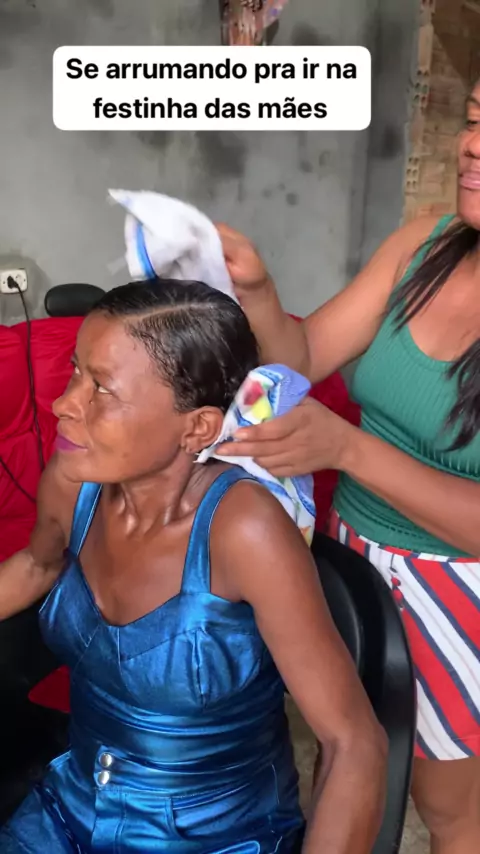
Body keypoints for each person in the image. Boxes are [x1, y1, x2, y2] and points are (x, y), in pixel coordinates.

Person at [0, 278, 385, 853]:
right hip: (69, 812)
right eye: (77, 372)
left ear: (197, 427)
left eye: (101, 387)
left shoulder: (244, 532)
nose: (64, 403)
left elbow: (354, 743)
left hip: (216, 838)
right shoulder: (74, 482)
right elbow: (37, 565)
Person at [215, 81, 480, 854]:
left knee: (449, 807)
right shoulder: (424, 245)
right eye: (473, 121)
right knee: (349, 762)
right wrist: (258, 290)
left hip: (461, 595)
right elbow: (302, 359)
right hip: (353, 558)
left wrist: (346, 448)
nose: (471, 145)